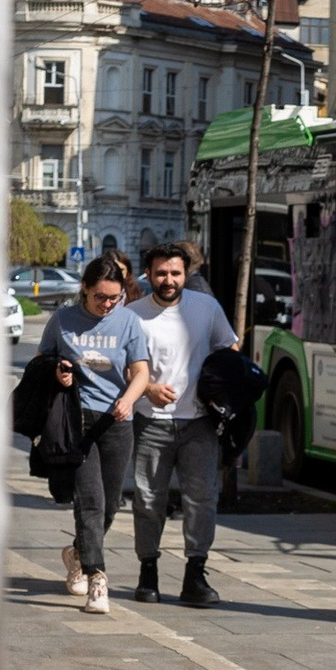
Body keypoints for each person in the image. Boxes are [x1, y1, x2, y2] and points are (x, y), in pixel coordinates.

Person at [127, 242, 238, 606]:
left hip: (200, 422)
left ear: (186, 273)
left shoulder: (206, 307)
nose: (169, 280)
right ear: (148, 275)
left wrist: (217, 387)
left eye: (175, 273)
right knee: (147, 500)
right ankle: (148, 571)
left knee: (202, 500)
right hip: (151, 421)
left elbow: (229, 349)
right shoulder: (132, 315)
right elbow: (122, 368)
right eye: (161, 273)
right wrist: (149, 389)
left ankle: (196, 574)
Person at [41, 255, 150, 614]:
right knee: (90, 500)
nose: (107, 304)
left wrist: (129, 399)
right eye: (100, 297)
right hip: (76, 419)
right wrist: (57, 373)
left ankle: (78, 552)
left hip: (116, 421)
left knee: (110, 504)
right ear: (85, 289)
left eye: (114, 297)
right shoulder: (63, 320)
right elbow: (41, 363)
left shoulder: (128, 321)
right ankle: (97, 578)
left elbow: (141, 372)